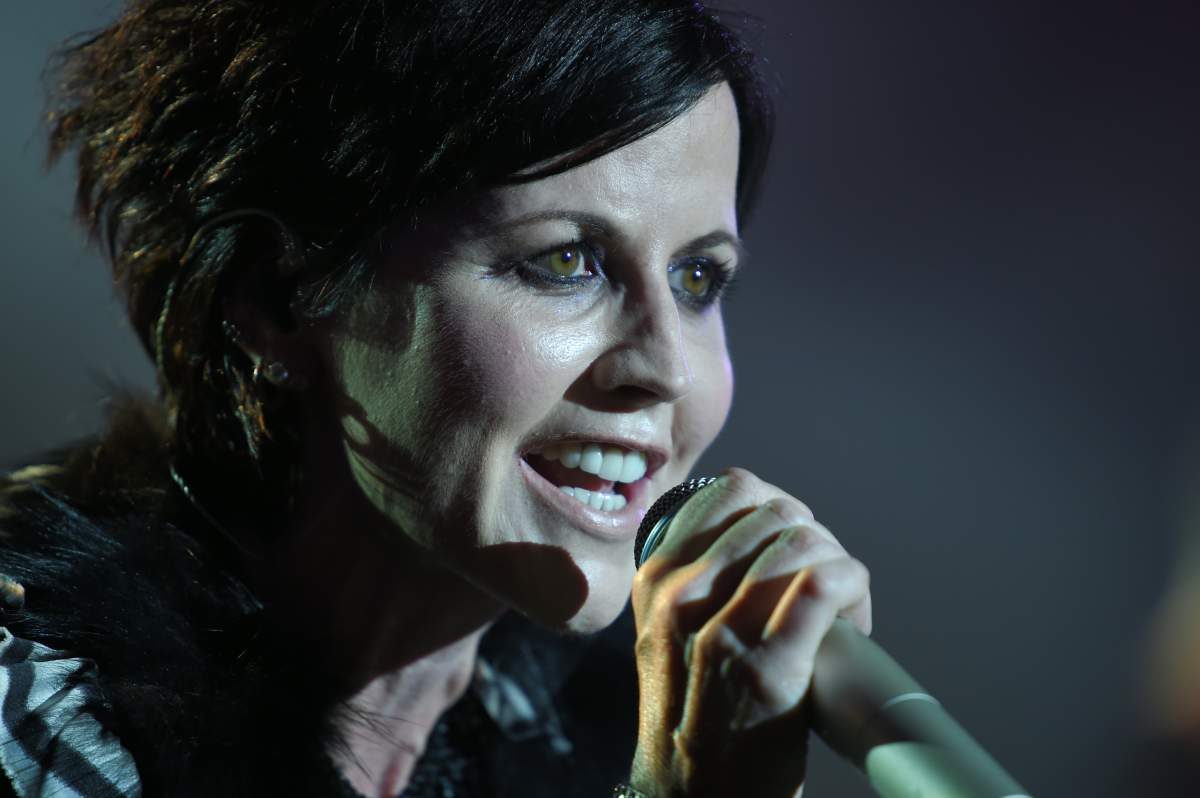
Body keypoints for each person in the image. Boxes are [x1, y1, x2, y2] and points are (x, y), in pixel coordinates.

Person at [0, 1, 872, 796]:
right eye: (565, 260)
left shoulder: (603, 728)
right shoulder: (37, 719)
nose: (667, 368)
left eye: (696, 277)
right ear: (275, 298)